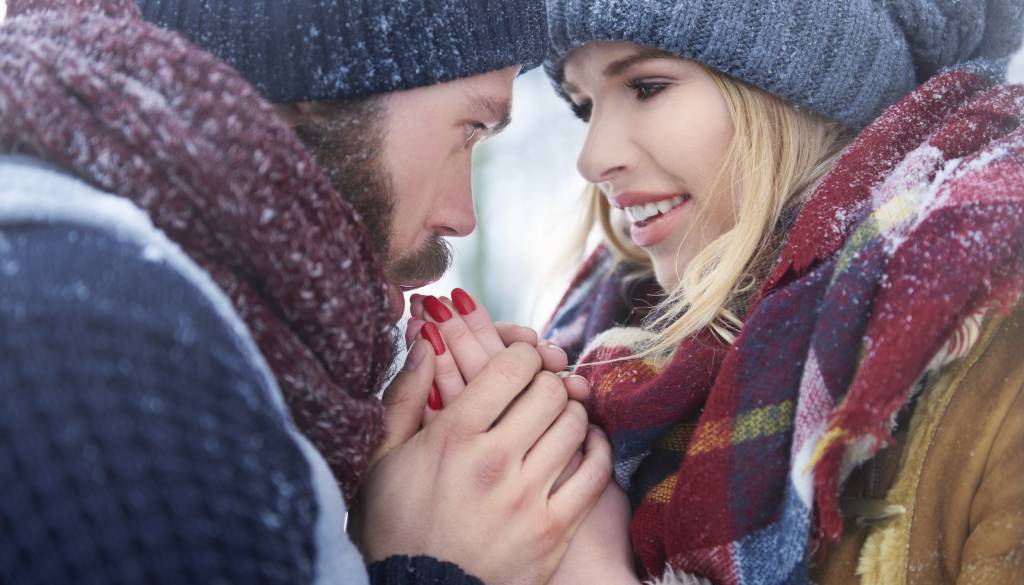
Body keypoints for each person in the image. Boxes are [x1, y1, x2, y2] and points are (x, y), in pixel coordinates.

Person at [0, 1, 611, 584]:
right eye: (470, 128)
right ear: (319, 74)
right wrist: (434, 564)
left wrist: (409, 515)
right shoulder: (87, 350)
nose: (462, 218)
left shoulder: (136, 314)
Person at [414, 1, 1024, 584]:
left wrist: (580, 569)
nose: (592, 158)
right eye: (583, 107)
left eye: (647, 87)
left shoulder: (1000, 356)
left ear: (801, 87)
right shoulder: (602, 351)